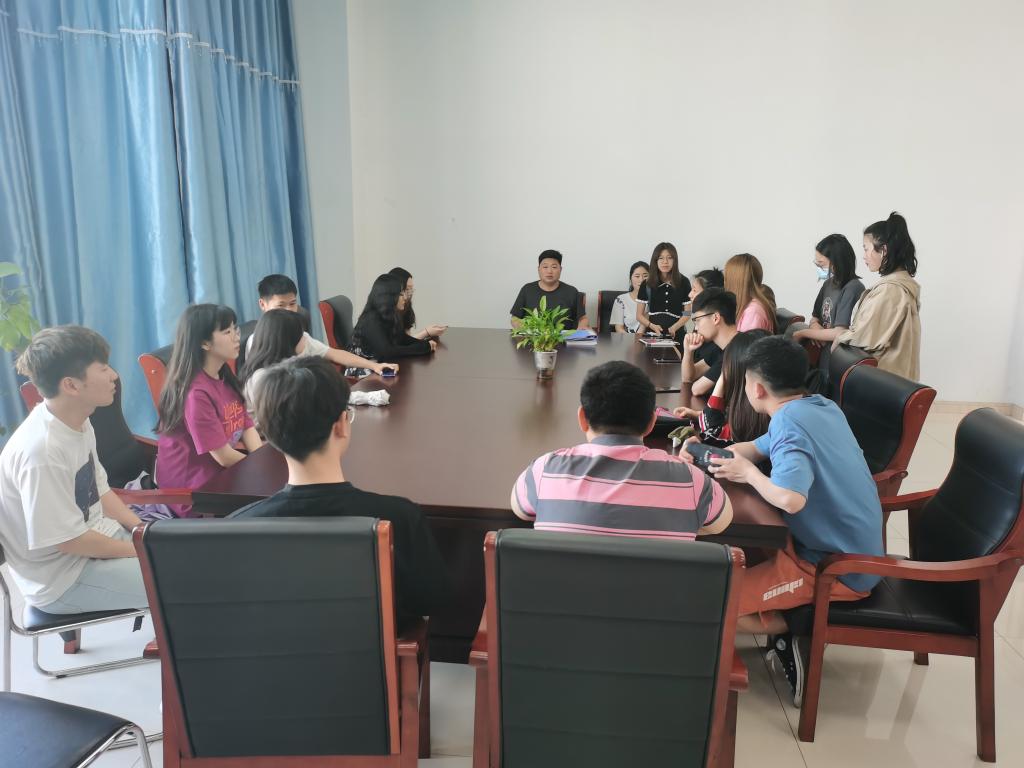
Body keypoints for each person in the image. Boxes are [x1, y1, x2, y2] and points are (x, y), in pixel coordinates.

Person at [688, 336, 883, 706]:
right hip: (830, 544)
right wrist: (708, 455)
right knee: (735, 561)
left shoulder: (791, 424)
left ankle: (793, 632)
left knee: (714, 600)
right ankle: (785, 620)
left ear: (757, 389)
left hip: (835, 567)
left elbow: (791, 499)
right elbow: (757, 447)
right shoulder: (818, 406)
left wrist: (749, 475)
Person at [230, 356, 450, 628]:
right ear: (341, 425)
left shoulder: (238, 528)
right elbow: (432, 600)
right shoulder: (399, 517)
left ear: (271, 436)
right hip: (370, 655)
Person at [0, 326, 147, 615]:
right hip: (62, 580)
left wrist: (143, 532)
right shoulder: (41, 452)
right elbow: (69, 541)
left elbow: (100, 490)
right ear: (71, 385)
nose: (114, 375)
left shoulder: (77, 419)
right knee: (182, 578)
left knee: (182, 561)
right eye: (103, 368)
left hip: (95, 542)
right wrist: (141, 550)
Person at [512, 360, 732, 538]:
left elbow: (520, 510)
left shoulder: (545, 471)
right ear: (651, 423)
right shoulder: (692, 482)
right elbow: (720, 523)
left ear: (582, 418)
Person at [156, 304, 263, 517]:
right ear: (204, 343)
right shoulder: (196, 393)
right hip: (195, 495)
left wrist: (262, 460)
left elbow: (246, 424)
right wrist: (263, 469)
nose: (236, 337)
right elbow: (224, 457)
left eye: (235, 329)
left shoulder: (224, 375)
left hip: (224, 474)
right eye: (227, 332)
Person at [249, 274, 398, 376]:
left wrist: (374, 366)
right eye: (281, 305)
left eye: (292, 303)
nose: (289, 311)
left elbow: (333, 353)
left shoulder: (300, 336)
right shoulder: (257, 342)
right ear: (262, 304)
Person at [834, 212, 921, 380]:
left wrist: (840, 338)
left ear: (883, 250)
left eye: (866, 249)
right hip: (899, 379)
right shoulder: (902, 286)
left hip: (884, 380)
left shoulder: (889, 290)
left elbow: (864, 336)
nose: (864, 256)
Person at [674, 329, 771, 444]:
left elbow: (712, 435)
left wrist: (723, 377)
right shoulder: (753, 410)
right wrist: (697, 415)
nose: (697, 328)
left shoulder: (754, 420)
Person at [791, 234, 865, 372]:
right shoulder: (828, 284)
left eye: (821, 264)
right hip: (822, 359)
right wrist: (816, 329)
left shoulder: (853, 288)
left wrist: (803, 333)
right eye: (817, 264)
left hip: (839, 361)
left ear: (837, 262)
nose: (819, 268)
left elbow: (840, 332)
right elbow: (815, 318)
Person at [352, 274, 437, 359]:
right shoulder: (371, 318)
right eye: (401, 294)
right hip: (364, 365)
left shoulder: (390, 314)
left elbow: (402, 338)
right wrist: (423, 348)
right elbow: (387, 352)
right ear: (388, 296)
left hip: (379, 363)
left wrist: (424, 344)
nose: (405, 297)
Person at [239, 309, 306, 414]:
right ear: (288, 340)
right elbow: (279, 418)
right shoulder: (263, 377)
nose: (305, 339)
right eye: (302, 335)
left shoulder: (287, 364)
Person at [680, 288, 739, 397]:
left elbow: (697, 389)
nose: (696, 328)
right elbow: (687, 378)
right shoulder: (719, 348)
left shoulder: (737, 349)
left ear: (715, 318)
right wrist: (688, 352)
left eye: (697, 320)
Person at [509, 250, 588, 330]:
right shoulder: (527, 289)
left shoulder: (571, 291)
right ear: (539, 269)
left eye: (554, 267)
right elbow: (515, 318)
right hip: (533, 337)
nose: (549, 271)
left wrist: (581, 329)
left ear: (560, 269)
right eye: (545, 267)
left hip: (564, 337)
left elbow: (583, 318)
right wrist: (526, 330)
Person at [636, 242, 692, 339]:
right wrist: (651, 326)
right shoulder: (647, 283)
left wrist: (675, 327)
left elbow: (687, 313)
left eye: (669, 258)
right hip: (653, 334)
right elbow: (639, 315)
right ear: (655, 261)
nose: (665, 262)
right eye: (661, 258)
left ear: (675, 260)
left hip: (677, 334)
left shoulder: (684, 282)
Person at [389, 267, 448, 342]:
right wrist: (426, 332)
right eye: (407, 289)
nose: (408, 295)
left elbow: (407, 340)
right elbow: (399, 345)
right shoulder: (384, 313)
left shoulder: (406, 306)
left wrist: (428, 332)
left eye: (411, 289)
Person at [724, 253, 776, 332]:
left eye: (726, 277)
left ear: (734, 280)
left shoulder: (753, 312)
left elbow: (745, 340)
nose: (725, 282)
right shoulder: (748, 307)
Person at [609, 261, 649, 333]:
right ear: (631, 278)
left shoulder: (655, 299)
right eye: (637, 276)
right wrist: (631, 339)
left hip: (650, 338)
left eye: (645, 276)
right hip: (626, 338)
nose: (641, 280)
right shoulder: (620, 300)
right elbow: (619, 328)